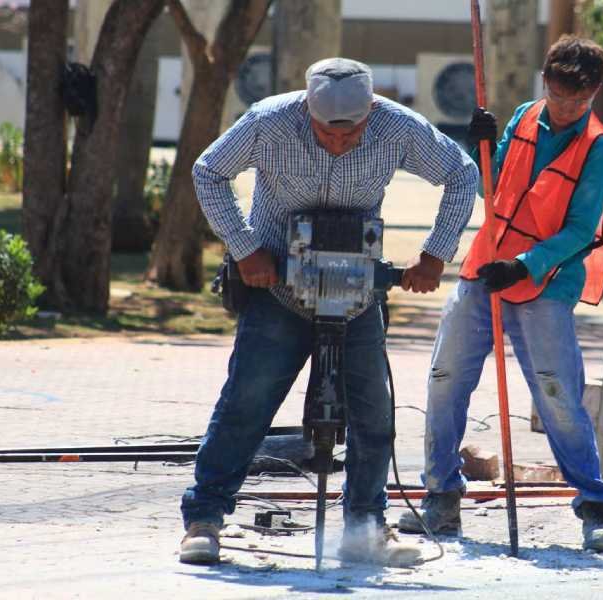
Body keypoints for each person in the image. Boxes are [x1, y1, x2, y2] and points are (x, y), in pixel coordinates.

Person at [179, 57, 478, 567]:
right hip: (277, 287)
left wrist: (435, 254)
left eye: (351, 133)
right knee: (246, 403)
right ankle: (204, 519)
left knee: (373, 412)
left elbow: (462, 173)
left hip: (356, 292)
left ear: (371, 113)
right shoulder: (268, 121)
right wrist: (245, 249)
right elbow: (208, 171)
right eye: (326, 133)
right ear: (306, 111)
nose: (338, 142)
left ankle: (365, 527)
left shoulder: (398, 127)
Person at [398, 36, 603, 553]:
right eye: (558, 94)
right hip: (485, 269)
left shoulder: (597, 148)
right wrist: (479, 146)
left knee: (557, 394)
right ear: (545, 81)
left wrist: (524, 265)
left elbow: (581, 231)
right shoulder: (525, 116)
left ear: (595, 92)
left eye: (579, 99)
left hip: (546, 281)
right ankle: (441, 496)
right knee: (445, 379)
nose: (566, 107)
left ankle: (597, 507)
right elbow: (493, 188)